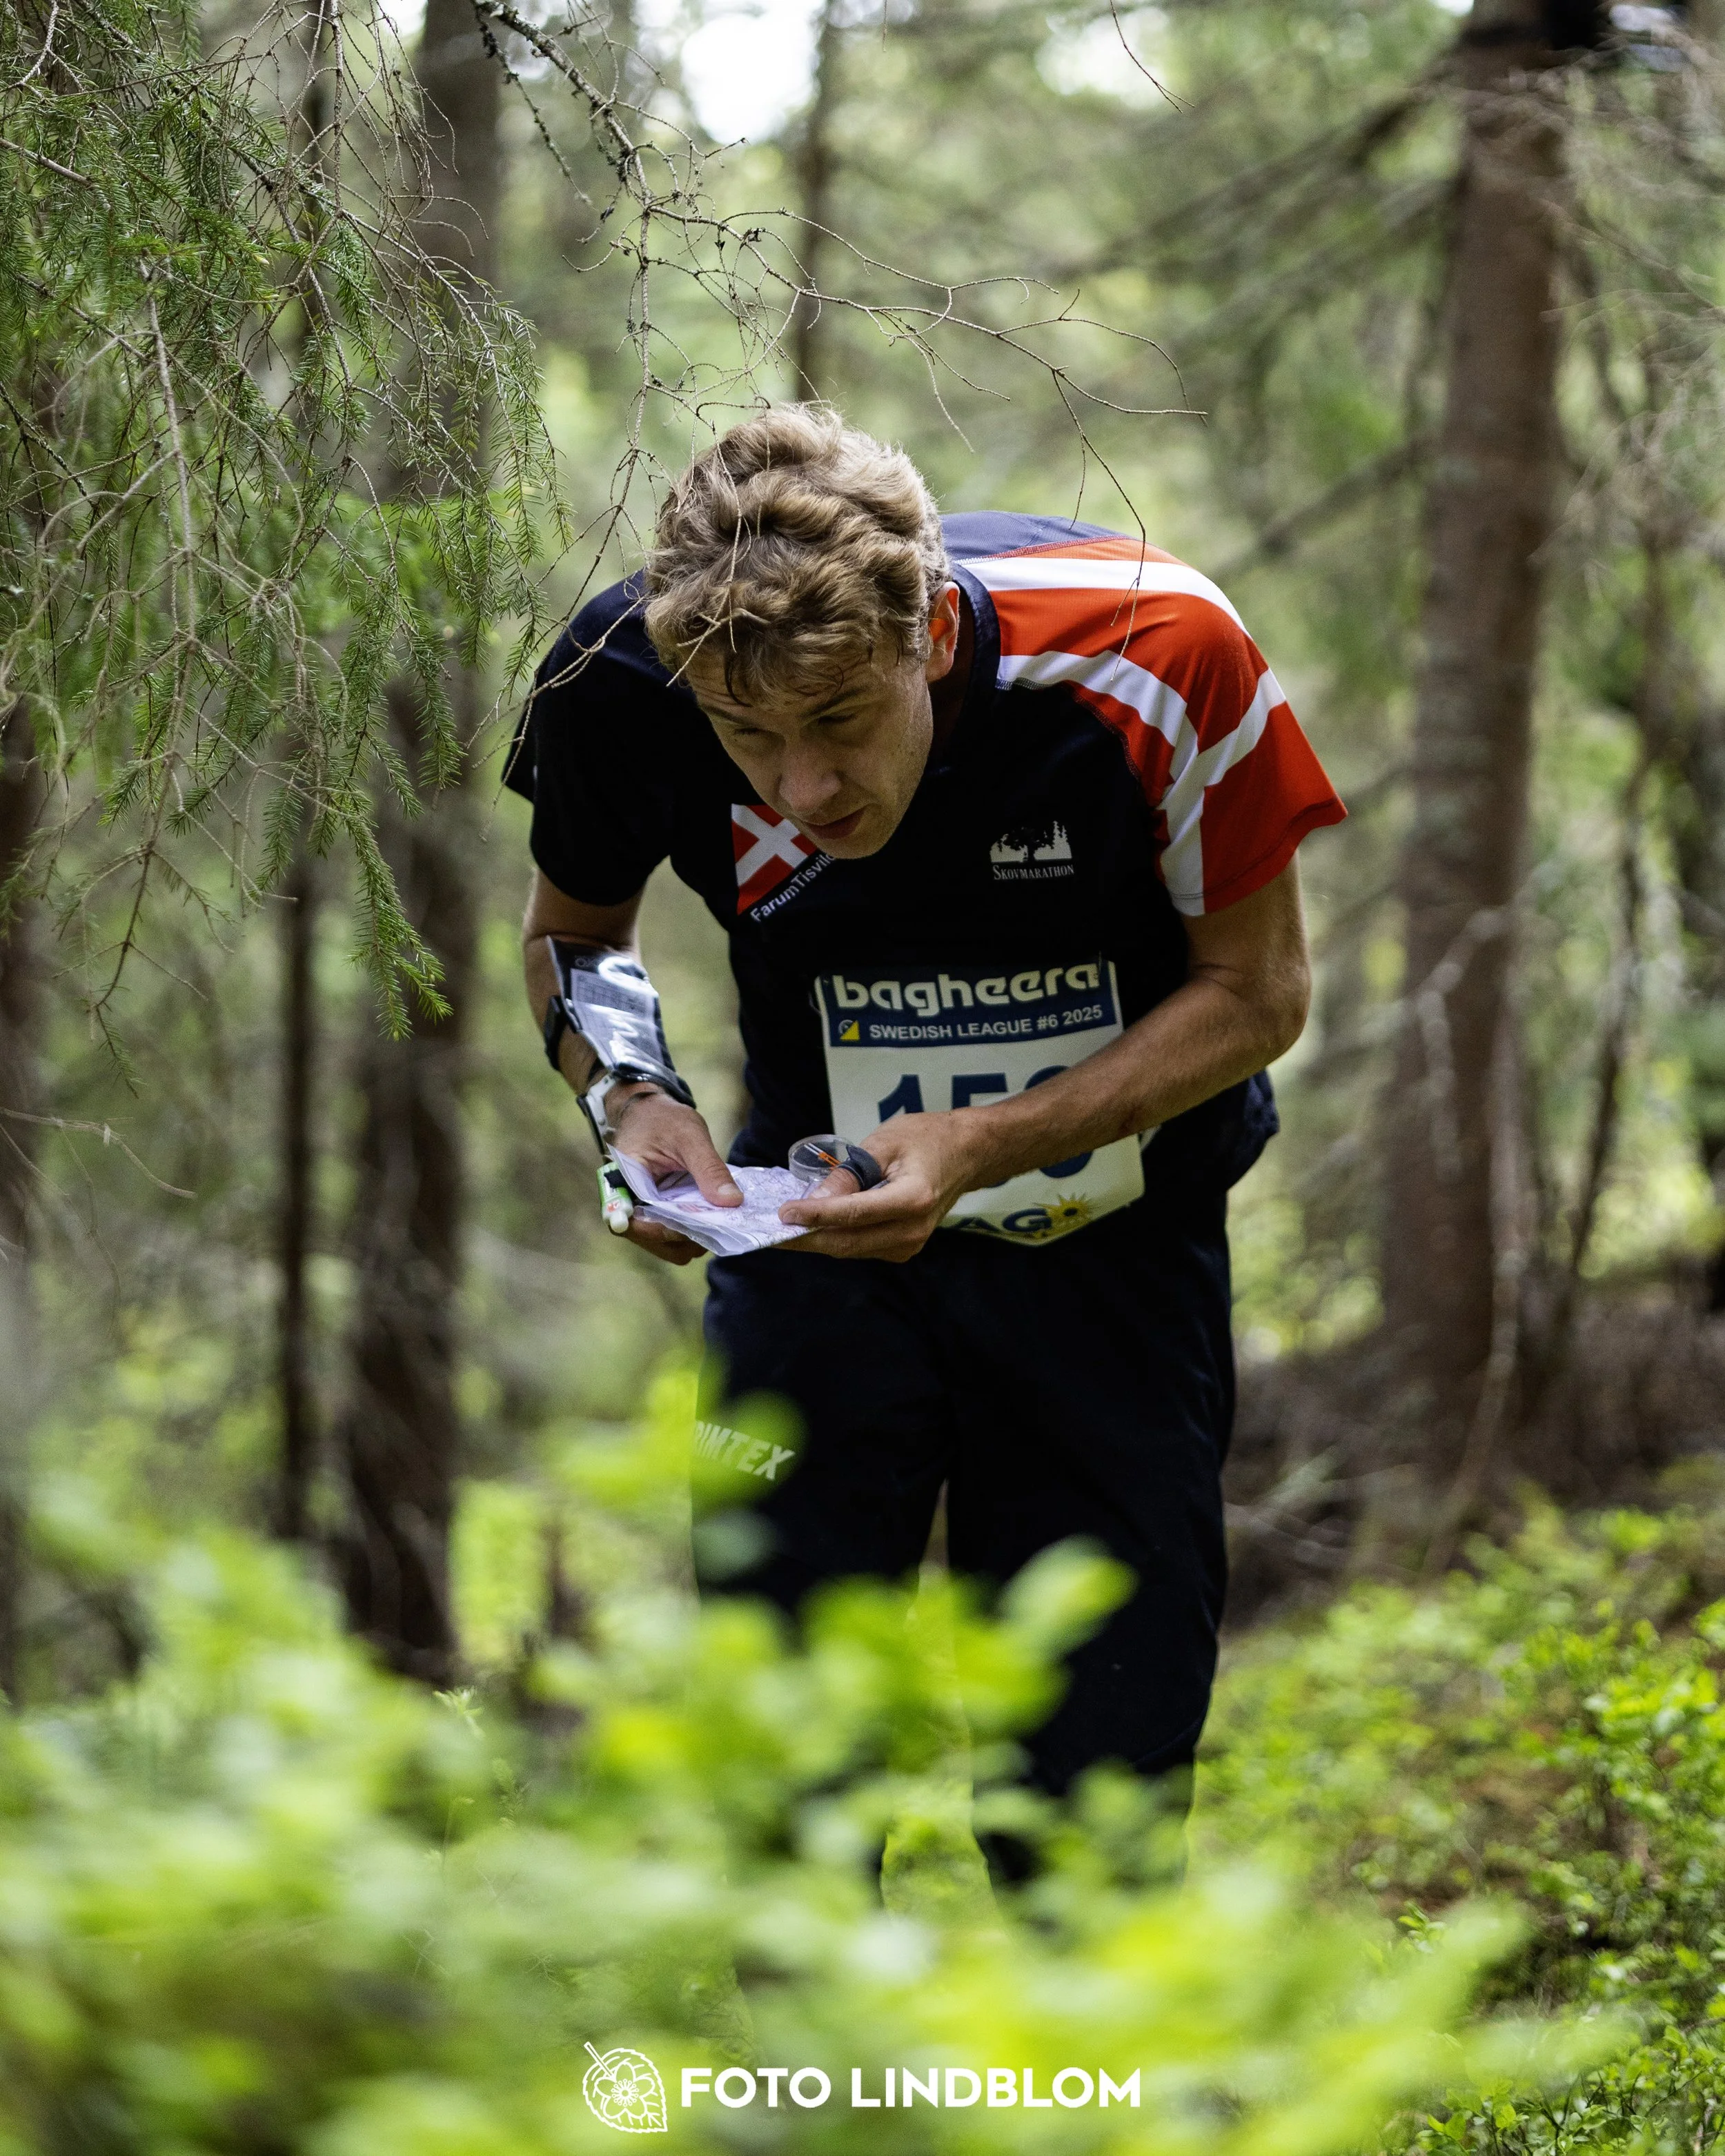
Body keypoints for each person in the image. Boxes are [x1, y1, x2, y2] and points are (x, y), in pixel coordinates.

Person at [507, 406, 1344, 1855]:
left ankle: (1084, 2077)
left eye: (835, 722)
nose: (799, 788)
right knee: (785, 1751)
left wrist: (985, 1142)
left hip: (1110, 1254)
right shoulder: (618, 676)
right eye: (745, 735)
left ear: (930, 642)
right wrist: (632, 1097)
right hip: (814, 1237)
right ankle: (811, 2082)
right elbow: (577, 935)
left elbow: (1256, 992)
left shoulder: (1157, 647)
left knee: (1096, 1770)